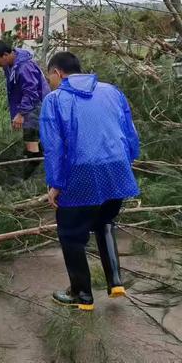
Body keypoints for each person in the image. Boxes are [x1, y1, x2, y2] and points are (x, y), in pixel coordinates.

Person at [40, 52, 140, 311]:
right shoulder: (111, 91)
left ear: (57, 73)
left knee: (71, 235)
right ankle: (115, 281)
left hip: (80, 172)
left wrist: (56, 184)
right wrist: (126, 161)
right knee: (105, 221)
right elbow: (129, 130)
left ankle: (82, 295)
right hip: (117, 167)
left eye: (49, 76)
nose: (49, 82)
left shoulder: (55, 100)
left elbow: (53, 147)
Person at [0, 39, 50, 178]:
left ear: (5, 55)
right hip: (27, 107)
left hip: (35, 107)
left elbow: (31, 93)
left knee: (31, 142)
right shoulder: (10, 65)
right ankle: (36, 172)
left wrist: (21, 114)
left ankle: (27, 179)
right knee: (33, 141)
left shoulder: (24, 67)